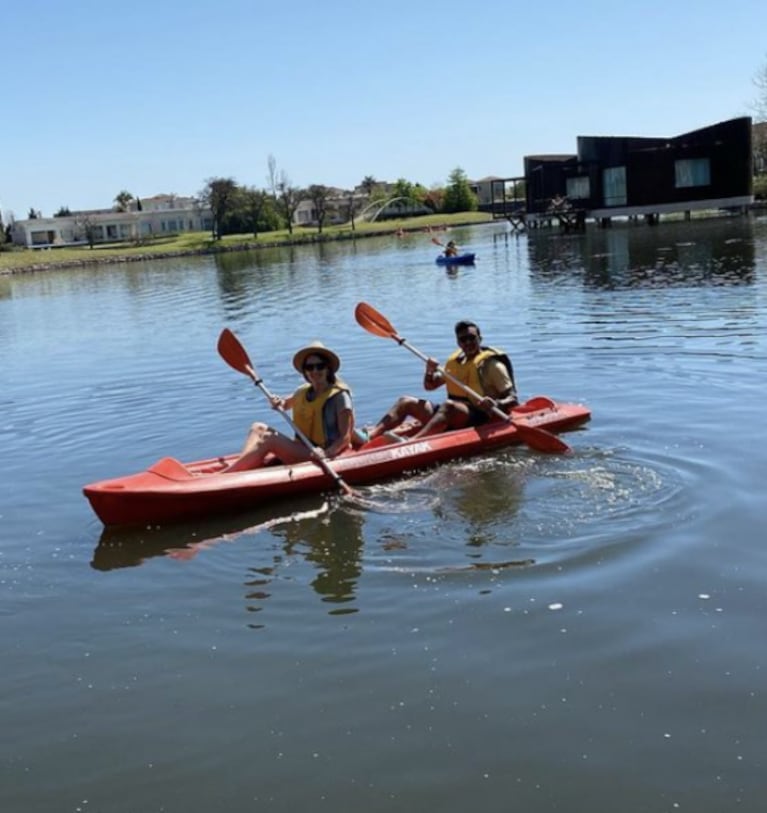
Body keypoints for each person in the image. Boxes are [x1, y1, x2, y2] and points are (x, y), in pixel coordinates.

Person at [365, 319, 518, 441]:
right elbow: (430, 386)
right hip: (454, 413)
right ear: (458, 343)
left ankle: (412, 442)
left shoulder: (492, 366)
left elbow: (513, 398)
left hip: (480, 415)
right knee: (405, 401)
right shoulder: (456, 362)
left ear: (480, 338)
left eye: (472, 338)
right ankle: (370, 437)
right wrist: (429, 371)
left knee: (449, 406)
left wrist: (497, 404)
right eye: (463, 339)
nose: (468, 343)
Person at [223, 341, 355, 472]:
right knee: (257, 427)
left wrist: (326, 453)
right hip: (302, 447)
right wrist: (277, 402)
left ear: (328, 369)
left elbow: (345, 437)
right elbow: (284, 404)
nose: (315, 371)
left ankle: (226, 475)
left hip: (320, 453)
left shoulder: (339, 397)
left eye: (320, 366)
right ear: (305, 371)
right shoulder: (303, 391)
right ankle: (240, 468)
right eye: (310, 367)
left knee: (269, 439)